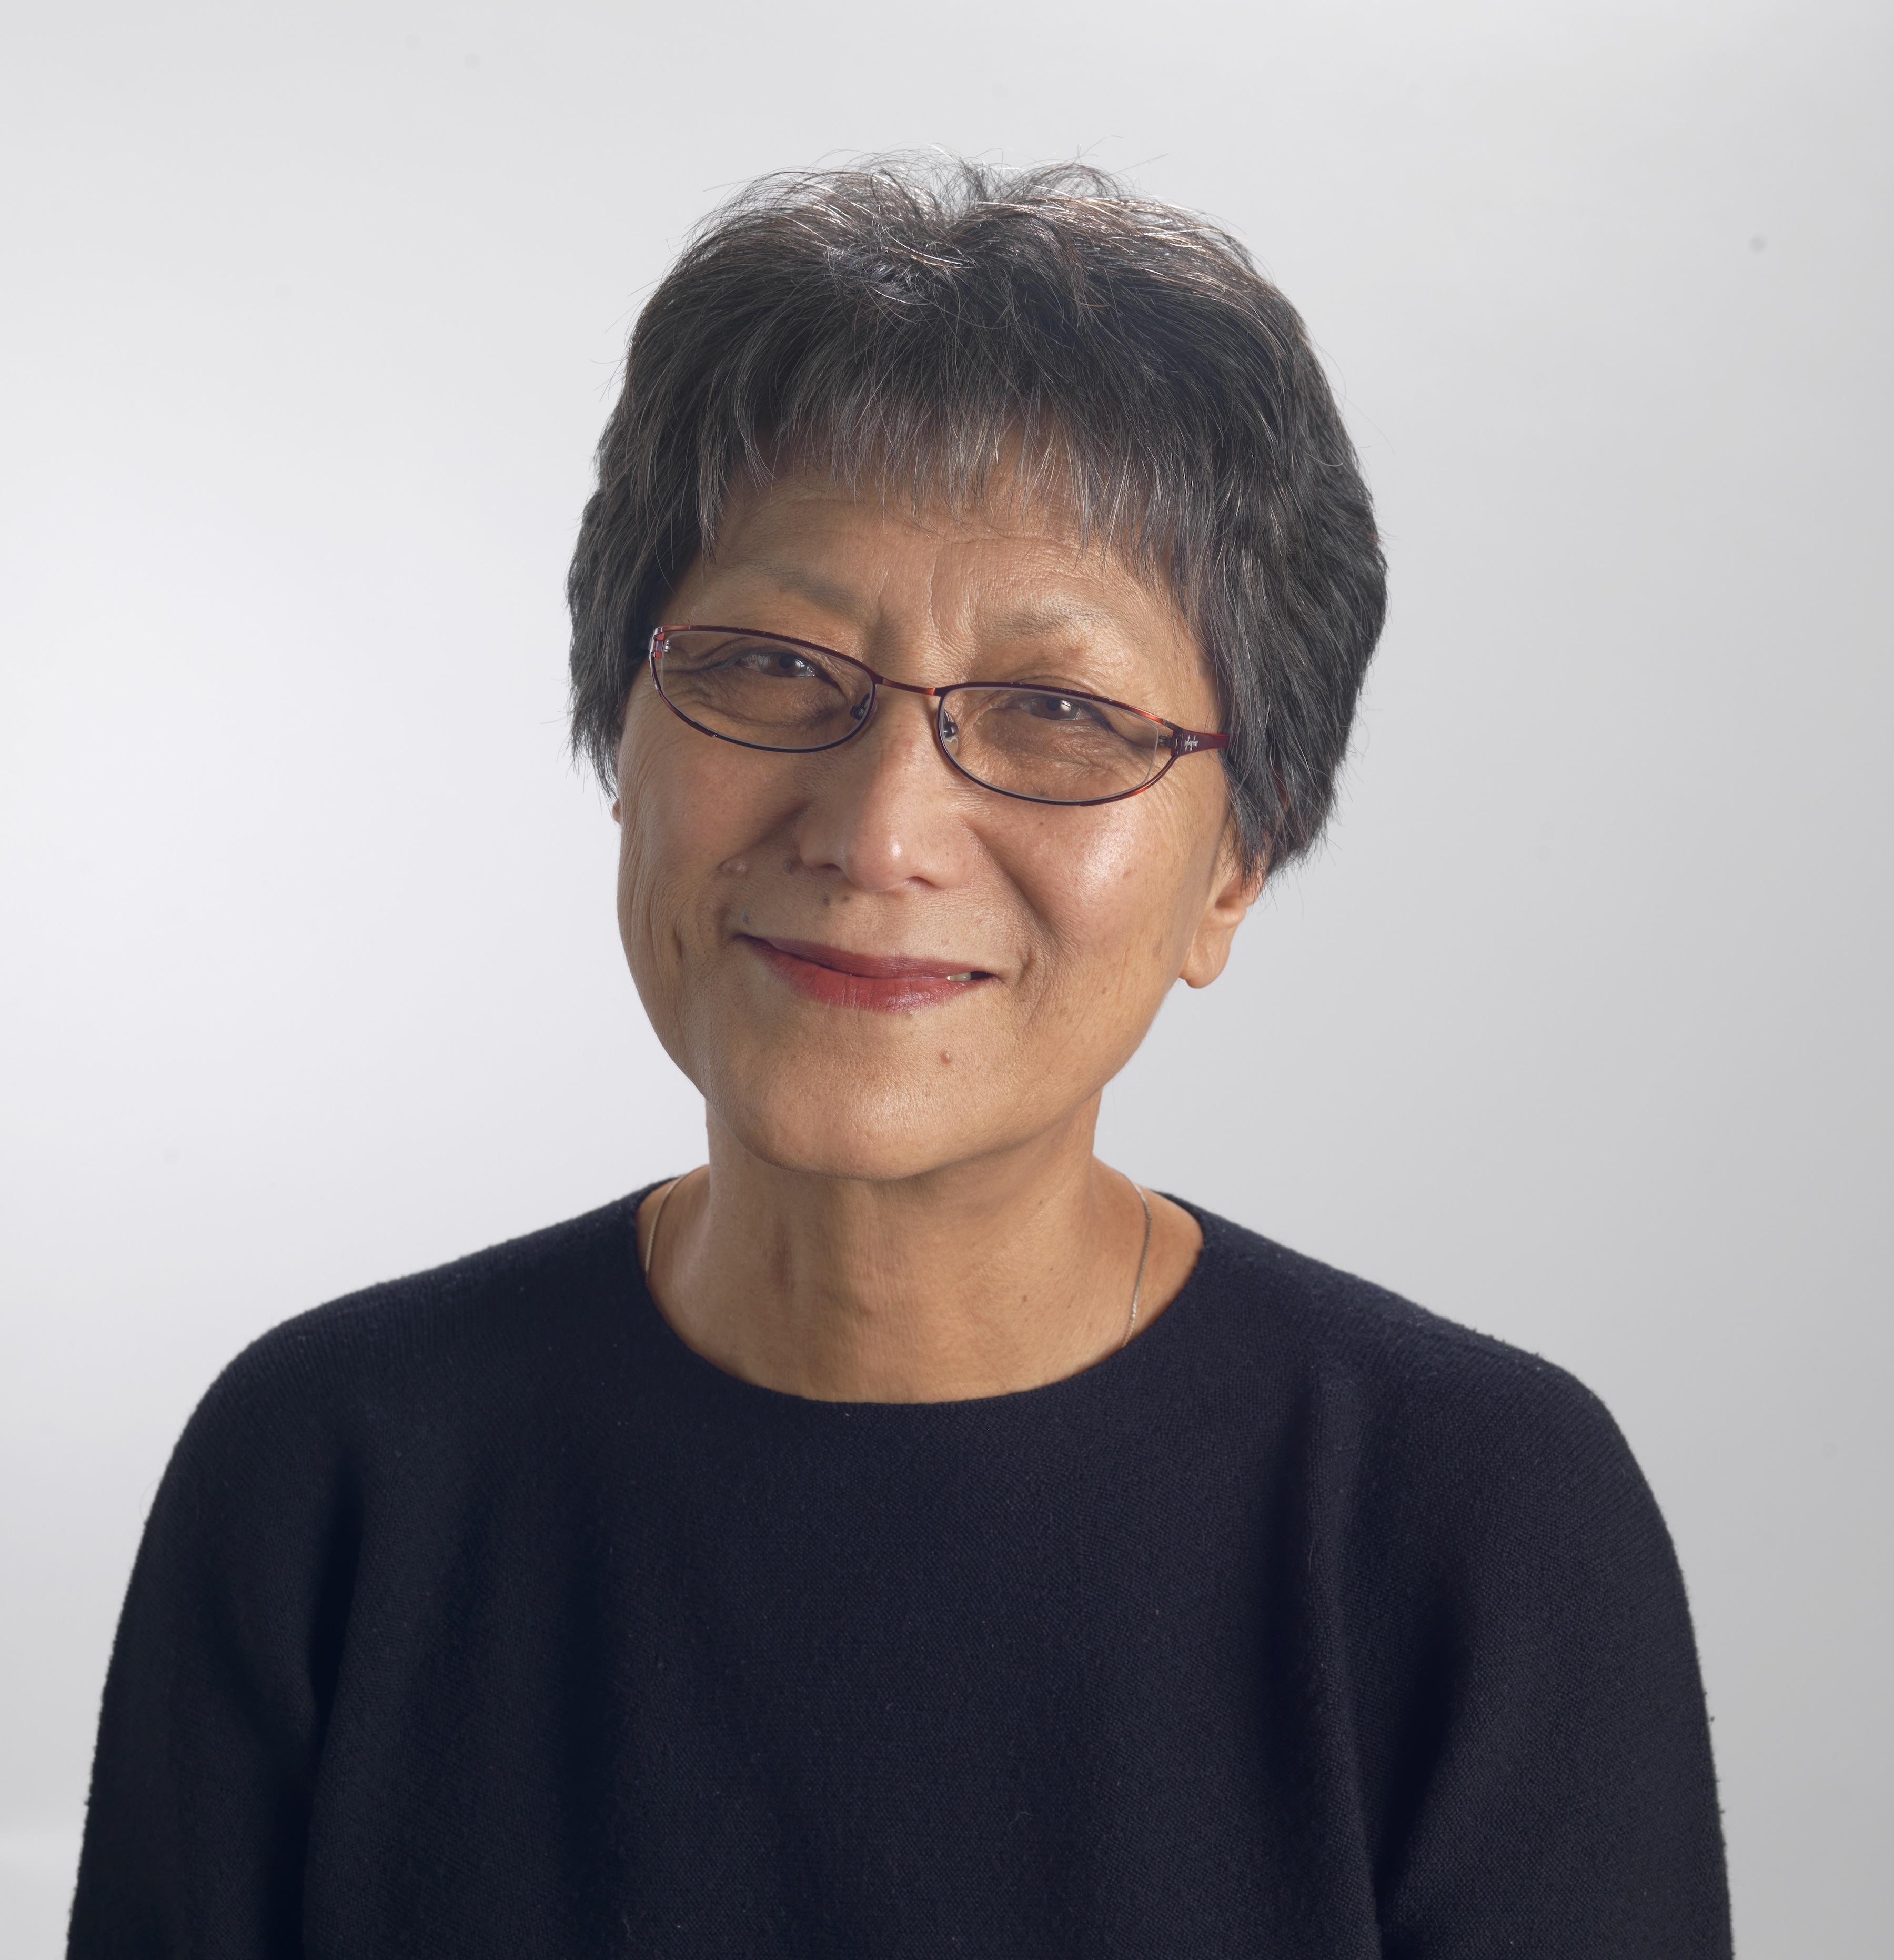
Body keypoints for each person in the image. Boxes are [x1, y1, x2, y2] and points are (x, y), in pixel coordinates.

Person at [68, 158, 1731, 1957]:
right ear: (625, 739)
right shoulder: (332, 1470)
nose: (880, 831)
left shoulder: (1470, 1526)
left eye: (1060, 712)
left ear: (1235, 865)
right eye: (779, 669)